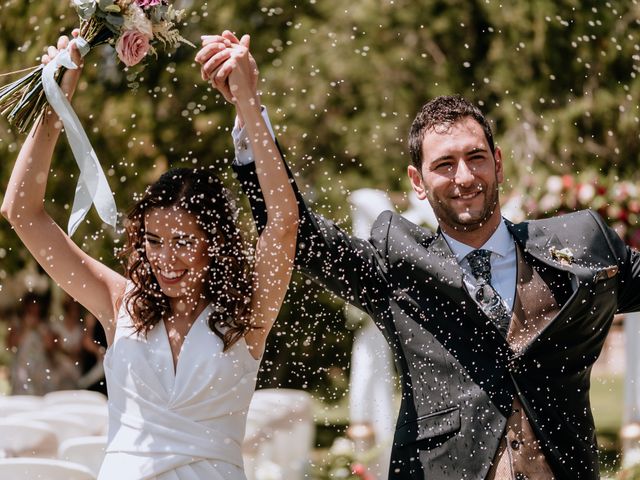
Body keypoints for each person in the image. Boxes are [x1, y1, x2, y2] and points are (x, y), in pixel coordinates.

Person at [196, 35, 640, 480]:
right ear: (418, 181)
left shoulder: (580, 243)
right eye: (444, 165)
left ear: (498, 164)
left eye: (476, 158)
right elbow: (302, 234)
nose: (464, 177)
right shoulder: (398, 268)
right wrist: (249, 109)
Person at [1, 30, 298, 480]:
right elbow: (21, 212)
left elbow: (283, 226)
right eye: (154, 241)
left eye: (183, 242)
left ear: (214, 243)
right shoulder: (120, 301)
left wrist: (248, 104)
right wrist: (55, 103)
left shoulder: (247, 313)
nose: (165, 259)